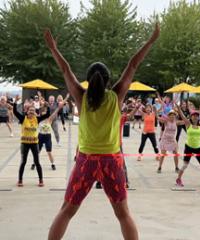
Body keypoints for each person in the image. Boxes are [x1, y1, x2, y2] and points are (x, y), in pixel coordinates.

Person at [44, 23, 160, 240]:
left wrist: (53, 48)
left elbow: (65, 69)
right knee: (123, 215)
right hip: (112, 162)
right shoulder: (116, 96)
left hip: (85, 161)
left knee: (66, 211)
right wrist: (151, 40)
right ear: (108, 80)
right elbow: (133, 64)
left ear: (89, 79)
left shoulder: (81, 96)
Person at [175, 104, 200, 188]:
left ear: (198, 117)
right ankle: (178, 179)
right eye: (193, 116)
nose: (195, 117)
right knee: (185, 165)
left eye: (196, 116)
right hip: (188, 147)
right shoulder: (188, 124)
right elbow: (182, 116)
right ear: (191, 117)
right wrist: (179, 109)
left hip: (197, 148)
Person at [13, 96, 50, 187]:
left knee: (37, 162)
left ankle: (41, 180)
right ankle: (20, 180)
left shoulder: (36, 119)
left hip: (34, 144)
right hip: (25, 144)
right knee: (23, 162)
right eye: (30, 110)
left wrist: (47, 106)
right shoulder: (23, 119)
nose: (31, 112)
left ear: (35, 112)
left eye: (33, 111)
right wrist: (15, 102)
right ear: (27, 111)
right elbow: (14, 112)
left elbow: (47, 115)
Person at [31, 94, 69, 171]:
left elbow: (58, 108)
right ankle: (34, 163)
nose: (44, 112)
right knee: (37, 151)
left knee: (49, 152)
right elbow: (32, 110)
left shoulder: (50, 119)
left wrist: (66, 98)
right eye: (43, 111)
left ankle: (53, 164)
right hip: (40, 137)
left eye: (45, 111)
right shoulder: (38, 118)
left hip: (48, 137)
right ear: (41, 112)